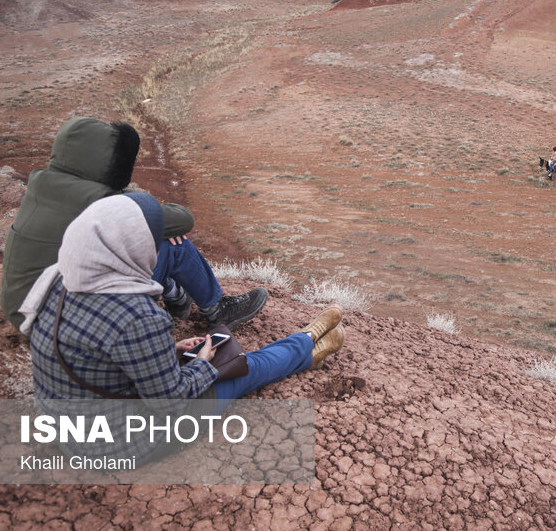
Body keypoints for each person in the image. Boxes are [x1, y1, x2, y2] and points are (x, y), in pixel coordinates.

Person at [19, 194, 345, 460]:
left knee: (211, 360)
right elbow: (173, 404)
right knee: (246, 368)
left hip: (70, 427)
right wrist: (202, 363)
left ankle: (304, 351)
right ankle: (305, 345)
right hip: (120, 443)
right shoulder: (139, 317)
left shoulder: (58, 280)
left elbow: (93, 348)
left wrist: (168, 351)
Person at [0, 117, 265, 333]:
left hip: (25, 310)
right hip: (67, 323)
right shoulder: (98, 200)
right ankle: (216, 310)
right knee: (173, 245)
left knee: (144, 238)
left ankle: (175, 295)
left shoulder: (40, 182)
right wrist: (153, 220)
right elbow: (183, 219)